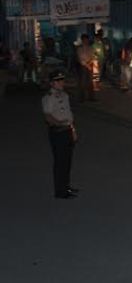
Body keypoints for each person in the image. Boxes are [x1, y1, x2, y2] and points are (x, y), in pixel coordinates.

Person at [42, 70, 79, 199]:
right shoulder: (49, 97)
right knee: (60, 162)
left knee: (67, 161)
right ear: (52, 83)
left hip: (67, 130)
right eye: (58, 81)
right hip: (58, 132)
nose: (61, 83)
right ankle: (60, 191)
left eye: (62, 80)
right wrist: (59, 123)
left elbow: (69, 115)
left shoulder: (64, 95)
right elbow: (48, 116)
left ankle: (66, 186)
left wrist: (73, 130)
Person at [76, 35, 96, 101]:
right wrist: (86, 65)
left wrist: (89, 64)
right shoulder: (79, 48)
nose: (86, 41)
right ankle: (82, 97)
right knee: (82, 82)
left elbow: (92, 56)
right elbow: (80, 58)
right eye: (84, 40)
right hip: (82, 66)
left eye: (86, 40)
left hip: (90, 65)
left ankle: (91, 96)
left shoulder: (90, 48)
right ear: (82, 40)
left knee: (90, 81)